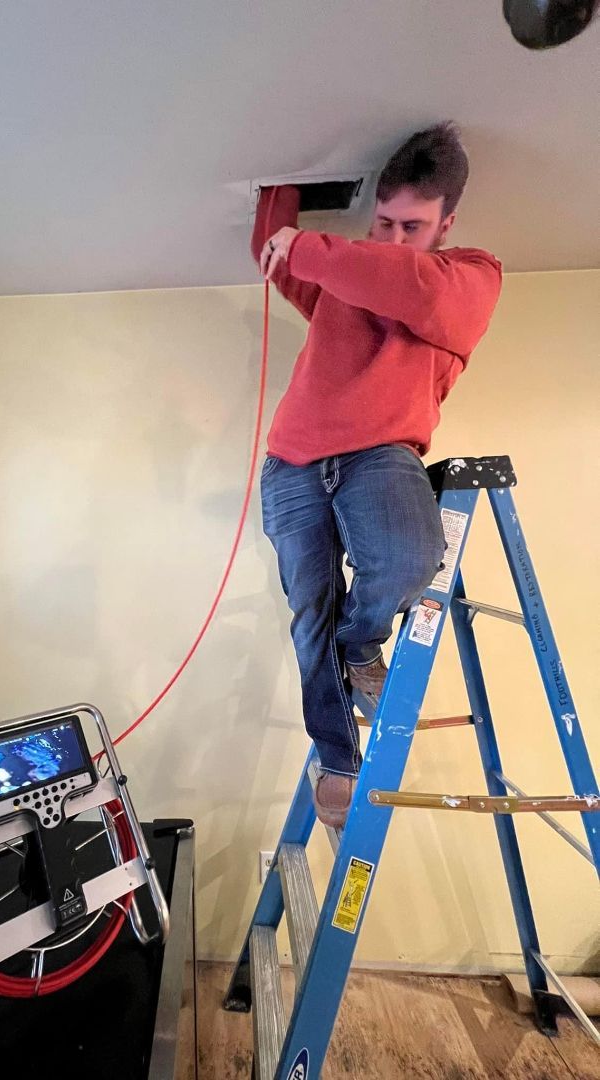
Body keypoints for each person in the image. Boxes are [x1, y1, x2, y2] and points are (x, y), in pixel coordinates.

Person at [253, 123, 502, 827]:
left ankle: (360, 643)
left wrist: (313, 247)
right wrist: (282, 208)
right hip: (293, 461)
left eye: (413, 226)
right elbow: (277, 255)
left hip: (380, 454)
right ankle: (338, 758)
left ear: (447, 223)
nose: (393, 239)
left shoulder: (469, 278)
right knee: (311, 611)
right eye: (383, 221)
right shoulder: (344, 282)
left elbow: (401, 280)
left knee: (406, 561)